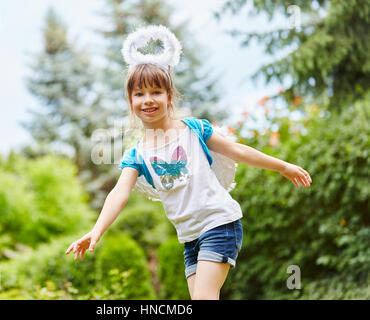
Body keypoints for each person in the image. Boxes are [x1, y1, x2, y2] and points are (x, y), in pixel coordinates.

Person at [65, 25, 312, 300]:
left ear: (169, 96)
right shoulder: (136, 155)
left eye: (156, 92)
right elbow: (119, 194)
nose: (148, 100)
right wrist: (95, 231)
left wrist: (283, 166)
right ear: (130, 100)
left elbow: (237, 151)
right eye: (139, 94)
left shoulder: (193, 130)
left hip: (219, 224)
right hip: (190, 238)